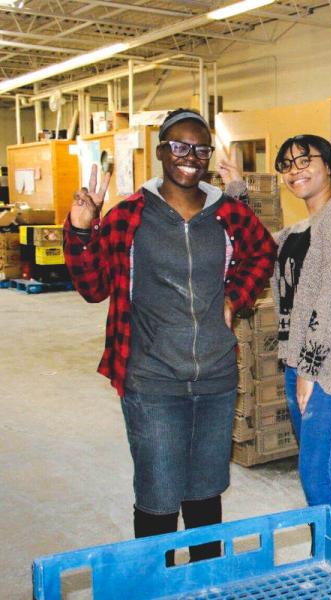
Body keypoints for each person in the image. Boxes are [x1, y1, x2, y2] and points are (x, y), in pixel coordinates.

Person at [63, 108, 276, 561]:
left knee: (205, 495)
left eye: (200, 149)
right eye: (179, 146)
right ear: (161, 151)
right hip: (152, 380)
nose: (190, 157)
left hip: (216, 378)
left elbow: (262, 251)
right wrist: (81, 231)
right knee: (158, 497)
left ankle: (203, 583)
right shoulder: (130, 215)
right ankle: (155, 583)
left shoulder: (227, 214)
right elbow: (93, 287)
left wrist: (234, 298)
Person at [268, 134, 331, 543]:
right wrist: (238, 189)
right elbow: (256, 246)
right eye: (287, 164)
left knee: (313, 472)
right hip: (301, 360)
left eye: (304, 160)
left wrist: (308, 370)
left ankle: (328, 554)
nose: (295, 170)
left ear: (328, 165)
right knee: (328, 464)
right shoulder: (299, 228)